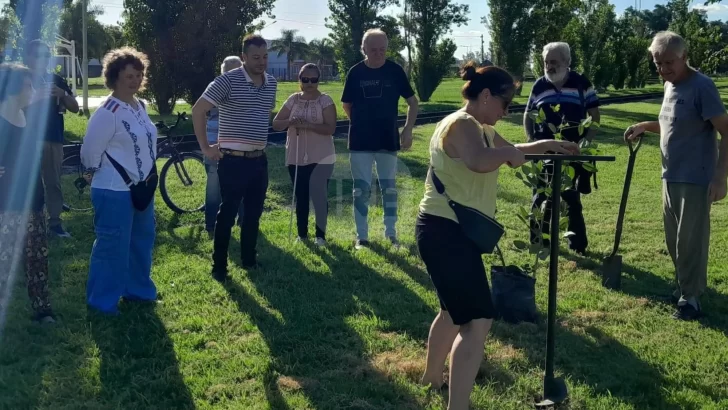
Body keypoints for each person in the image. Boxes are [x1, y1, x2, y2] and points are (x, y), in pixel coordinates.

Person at [416, 62, 579, 410]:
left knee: (451, 311)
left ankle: (431, 379)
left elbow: (514, 147)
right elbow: (479, 161)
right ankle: (457, 405)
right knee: (478, 321)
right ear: (486, 95)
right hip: (447, 233)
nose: (507, 111)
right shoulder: (461, 124)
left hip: (445, 232)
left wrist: (549, 145)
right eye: (506, 103)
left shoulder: (482, 128)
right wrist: (508, 155)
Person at [624, 31, 728, 321]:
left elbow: (726, 129)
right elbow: (671, 123)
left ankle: (691, 299)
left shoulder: (702, 86)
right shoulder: (670, 86)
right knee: (674, 239)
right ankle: (684, 286)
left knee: (690, 240)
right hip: (670, 173)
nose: (663, 69)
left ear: (684, 57)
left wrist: (721, 177)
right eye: (658, 63)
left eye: (669, 62)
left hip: (697, 177)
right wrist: (645, 125)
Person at [192, 34, 278, 281]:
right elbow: (199, 111)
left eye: (265, 57)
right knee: (227, 213)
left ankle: (249, 261)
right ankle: (219, 267)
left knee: (253, 214)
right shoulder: (227, 81)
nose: (261, 62)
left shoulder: (271, 83)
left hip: (259, 160)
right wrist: (206, 147)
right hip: (233, 161)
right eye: (255, 57)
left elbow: (262, 115)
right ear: (243, 57)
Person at [80, 47, 158, 315]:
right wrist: (93, 170)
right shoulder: (107, 111)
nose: (135, 80)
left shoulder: (140, 106)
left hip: (142, 188)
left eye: (138, 75)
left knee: (141, 241)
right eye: (129, 76)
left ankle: (138, 290)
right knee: (112, 246)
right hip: (113, 189)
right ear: (114, 77)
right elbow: (89, 151)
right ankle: (102, 301)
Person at [341, 28, 419, 250]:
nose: (378, 54)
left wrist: (408, 129)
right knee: (361, 189)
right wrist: (361, 123)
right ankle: (362, 236)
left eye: (382, 50)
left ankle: (391, 233)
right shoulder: (355, 73)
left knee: (389, 187)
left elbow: (413, 102)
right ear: (363, 49)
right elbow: (346, 105)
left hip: (388, 138)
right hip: (360, 141)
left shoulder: (395, 71)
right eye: (373, 50)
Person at [523, 41, 601, 254]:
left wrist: (585, 142)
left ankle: (578, 246)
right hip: (544, 151)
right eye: (546, 62)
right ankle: (539, 243)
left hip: (571, 152)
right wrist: (531, 142)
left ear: (567, 62)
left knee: (571, 199)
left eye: (554, 62)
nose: (549, 66)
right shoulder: (539, 85)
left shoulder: (582, 83)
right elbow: (528, 115)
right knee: (540, 197)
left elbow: (594, 117)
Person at [0, 63, 56, 325]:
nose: (33, 90)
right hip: (6, 206)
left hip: (33, 201)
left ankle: (42, 309)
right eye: (28, 85)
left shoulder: (27, 119)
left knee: (37, 259)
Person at [272, 63, 337, 246]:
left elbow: (331, 128)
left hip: (321, 156)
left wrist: (307, 125)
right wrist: (290, 121)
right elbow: (276, 124)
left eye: (313, 80)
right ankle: (302, 234)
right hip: (296, 154)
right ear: (299, 80)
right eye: (305, 79)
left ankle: (320, 236)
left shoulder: (325, 100)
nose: (309, 83)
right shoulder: (293, 99)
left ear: (318, 80)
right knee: (300, 195)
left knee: (319, 196)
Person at [24, 39, 79, 238]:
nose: (43, 59)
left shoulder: (55, 79)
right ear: (28, 57)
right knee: (29, 185)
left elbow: (75, 108)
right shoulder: (20, 79)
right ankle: (30, 225)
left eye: (46, 55)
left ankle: (55, 224)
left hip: (53, 138)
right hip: (27, 140)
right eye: (38, 55)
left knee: (53, 182)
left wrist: (63, 94)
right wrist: (35, 96)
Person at [204, 56, 245, 237]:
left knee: (243, 186)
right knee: (214, 189)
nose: (234, 76)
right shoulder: (215, 87)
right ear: (223, 72)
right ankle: (211, 225)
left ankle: (244, 222)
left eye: (237, 71)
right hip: (216, 146)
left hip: (241, 147)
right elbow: (202, 112)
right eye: (229, 72)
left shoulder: (247, 87)